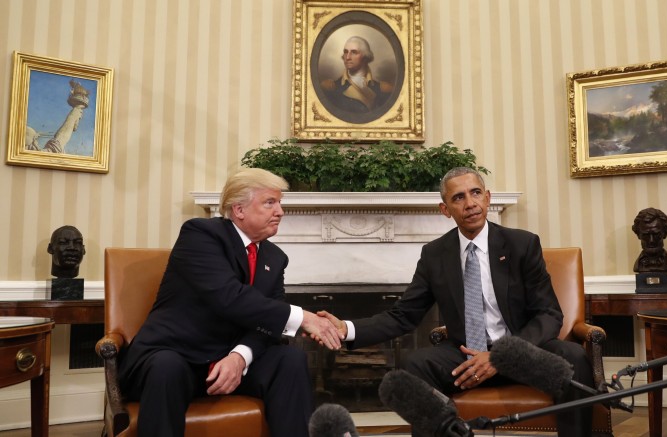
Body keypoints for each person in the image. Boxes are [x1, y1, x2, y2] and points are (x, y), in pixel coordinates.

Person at [317, 167, 594, 437]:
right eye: (458, 197)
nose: (470, 203)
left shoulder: (521, 244)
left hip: (522, 352)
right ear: (445, 209)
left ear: (488, 198)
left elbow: (548, 314)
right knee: (415, 365)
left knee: (573, 358)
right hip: (466, 356)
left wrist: (501, 356)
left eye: (475, 193)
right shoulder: (435, 254)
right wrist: (346, 329)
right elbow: (404, 315)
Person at [118, 168, 344, 437]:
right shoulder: (200, 235)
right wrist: (304, 318)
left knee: (290, 359)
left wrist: (240, 357)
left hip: (229, 362)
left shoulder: (274, 257)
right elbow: (230, 297)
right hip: (178, 354)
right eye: (270, 202)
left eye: (280, 202)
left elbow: (266, 325)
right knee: (167, 367)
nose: (281, 211)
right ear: (239, 210)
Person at [320, 36, 394, 114]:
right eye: (346, 52)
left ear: (365, 57)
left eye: (354, 52)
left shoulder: (383, 89)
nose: (347, 57)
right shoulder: (330, 88)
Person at [632, 207, 667, 272]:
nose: (651, 240)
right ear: (638, 234)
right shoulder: (638, 265)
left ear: (665, 233)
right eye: (646, 235)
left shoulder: (666, 263)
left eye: (656, 234)